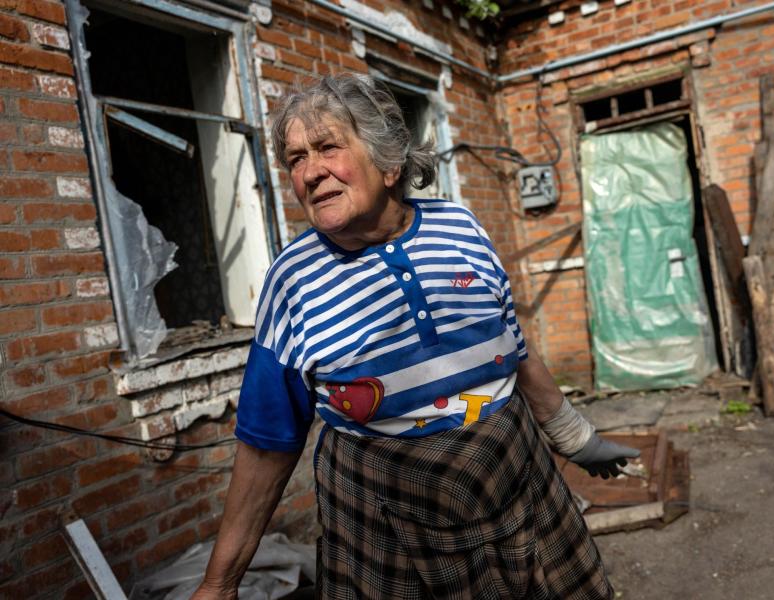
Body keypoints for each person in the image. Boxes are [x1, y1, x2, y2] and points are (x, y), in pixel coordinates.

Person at [192, 73, 639, 600]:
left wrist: (573, 436)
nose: (310, 172)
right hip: (385, 525)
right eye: (295, 159)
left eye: (327, 147)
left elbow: (512, 347)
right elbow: (268, 441)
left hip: (517, 481)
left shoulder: (460, 227)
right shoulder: (295, 281)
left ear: (389, 162)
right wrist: (219, 585)